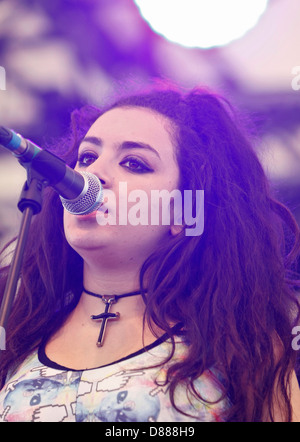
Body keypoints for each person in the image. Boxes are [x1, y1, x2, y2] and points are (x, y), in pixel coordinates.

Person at [0, 82, 299, 422]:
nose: (94, 174)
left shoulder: (245, 344)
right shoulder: (16, 325)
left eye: (134, 163)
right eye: (87, 157)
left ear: (180, 211)